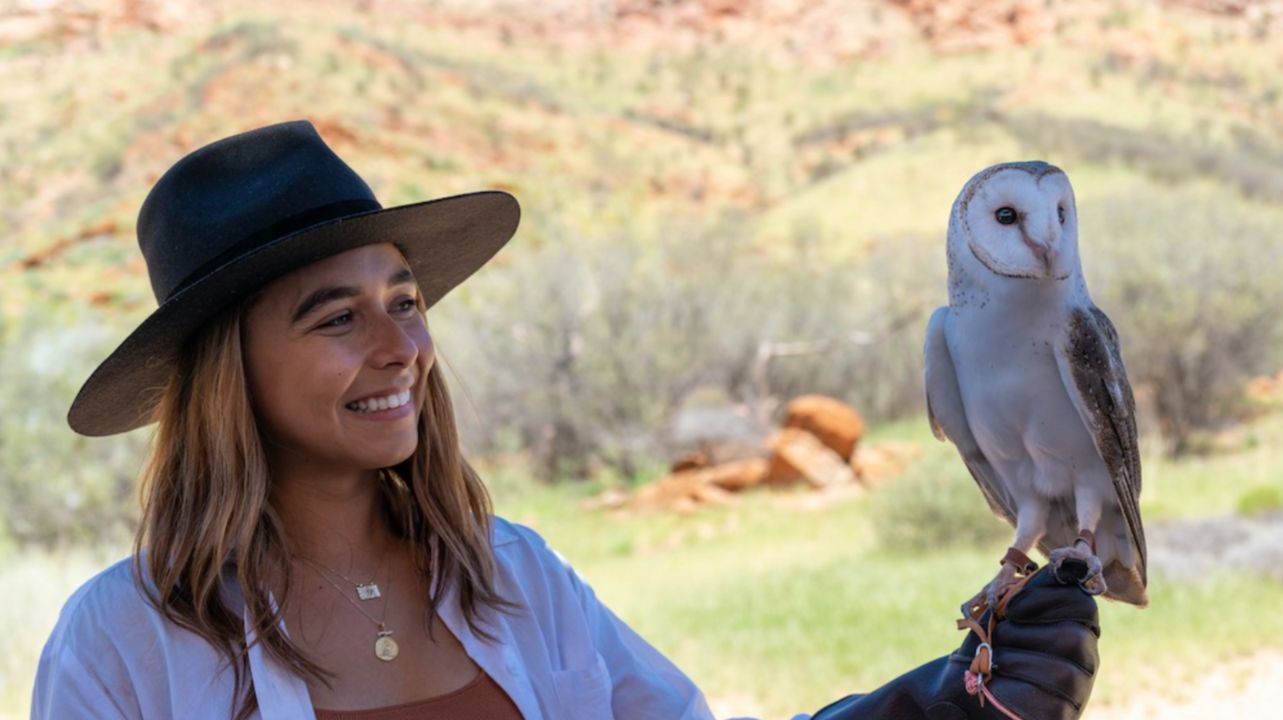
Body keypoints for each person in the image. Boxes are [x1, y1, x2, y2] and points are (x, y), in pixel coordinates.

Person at [32, 121, 1100, 719]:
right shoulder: (128, 640)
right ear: (232, 374)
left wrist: (930, 709)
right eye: (334, 319)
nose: (401, 347)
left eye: (403, 302)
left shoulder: (508, 581)